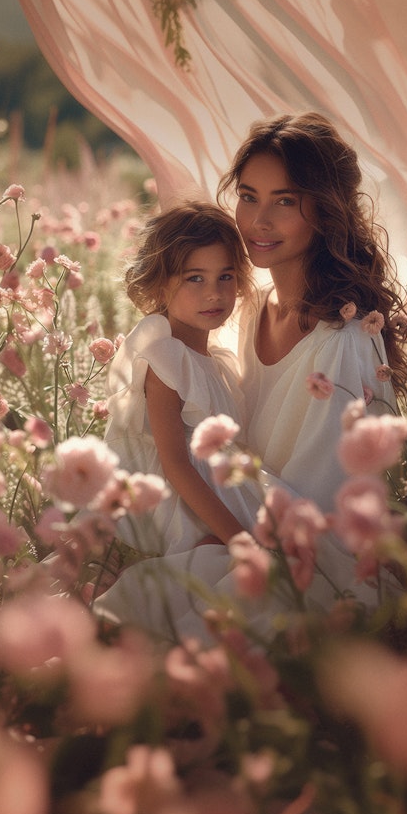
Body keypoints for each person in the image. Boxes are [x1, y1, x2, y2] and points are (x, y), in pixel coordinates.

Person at [217, 110, 407, 515]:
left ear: (326, 211)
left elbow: (327, 505)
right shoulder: (254, 308)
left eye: (284, 201)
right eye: (249, 197)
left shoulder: (344, 338)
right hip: (244, 524)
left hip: (309, 550)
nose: (258, 221)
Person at [102, 201, 259, 556]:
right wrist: (238, 539)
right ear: (160, 286)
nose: (214, 293)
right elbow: (175, 464)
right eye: (195, 278)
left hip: (216, 489)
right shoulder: (166, 356)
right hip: (176, 505)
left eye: (226, 276)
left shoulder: (215, 361)